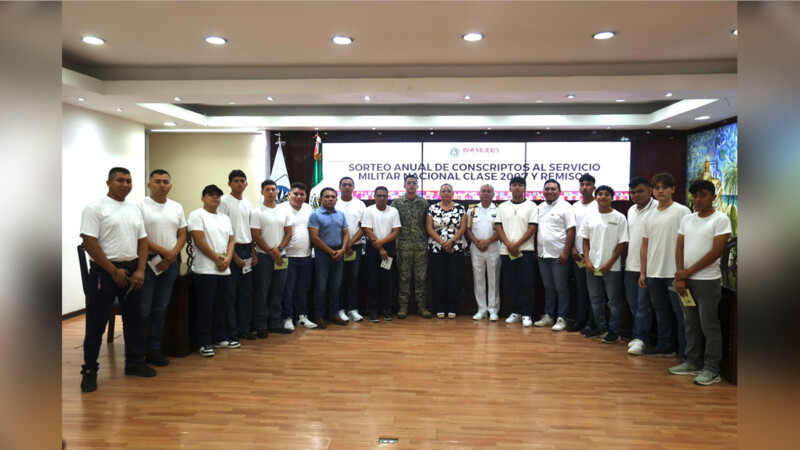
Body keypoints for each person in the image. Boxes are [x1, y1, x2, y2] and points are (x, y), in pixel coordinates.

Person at [79, 167, 154, 392]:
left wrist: (141, 270)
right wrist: (113, 270)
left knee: (134, 320)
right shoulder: (95, 208)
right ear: (109, 183)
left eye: (129, 181)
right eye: (120, 180)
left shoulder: (134, 209)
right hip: (104, 273)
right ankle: (89, 371)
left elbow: (143, 241)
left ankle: (134, 362)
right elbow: (89, 242)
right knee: (96, 324)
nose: (125, 185)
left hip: (132, 272)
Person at [668, 180, 731, 386]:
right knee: (690, 323)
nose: (697, 199)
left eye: (703, 195)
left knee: (709, 325)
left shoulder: (720, 219)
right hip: (685, 281)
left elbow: (716, 252)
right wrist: (681, 276)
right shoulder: (687, 219)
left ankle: (712, 369)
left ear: (713, 196)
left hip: (707, 281)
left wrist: (687, 272)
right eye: (694, 196)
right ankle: (692, 361)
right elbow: (679, 247)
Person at [138, 169, 187, 367]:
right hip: (147, 262)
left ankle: (154, 350)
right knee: (144, 309)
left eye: (165, 182)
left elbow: (182, 235)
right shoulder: (139, 206)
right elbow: (140, 237)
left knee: (160, 308)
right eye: (157, 181)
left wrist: (171, 255)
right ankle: (138, 351)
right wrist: (166, 253)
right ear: (149, 185)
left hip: (170, 263)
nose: (162, 185)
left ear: (170, 186)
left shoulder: (176, 207)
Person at [639, 172, 691, 358]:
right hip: (654, 273)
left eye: (664, 187)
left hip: (675, 273)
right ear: (652, 191)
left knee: (681, 313)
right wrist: (643, 272)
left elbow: (688, 243)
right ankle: (665, 346)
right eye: (657, 188)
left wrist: (683, 272)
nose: (660, 191)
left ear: (673, 189)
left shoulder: (682, 212)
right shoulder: (649, 215)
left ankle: (685, 352)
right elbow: (645, 245)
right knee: (661, 311)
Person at [187, 185, 237, 357]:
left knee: (222, 306)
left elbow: (231, 241)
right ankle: (204, 342)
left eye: (218, 195)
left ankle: (220, 338)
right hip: (205, 270)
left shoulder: (224, 218)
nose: (215, 198)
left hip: (224, 269)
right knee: (206, 307)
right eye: (211, 195)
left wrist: (228, 259)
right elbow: (199, 241)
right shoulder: (197, 215)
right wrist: (217, 259)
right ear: (203, 198)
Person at [580, 185, 629, 343]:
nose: (603, 196)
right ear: (596, 197)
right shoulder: (590, 217)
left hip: (611, 267)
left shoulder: (619, 217)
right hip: (591, 266)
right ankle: (600, 327)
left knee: (613, 301)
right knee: (595, 298)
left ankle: (614, 331)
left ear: (612, 198)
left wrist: (610, 263)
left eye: (607, 194)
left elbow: (623, 243)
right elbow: (585, 241)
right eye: (600, 194)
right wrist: (587, 261)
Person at [218, 169, 258, 342]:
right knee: (230, 294)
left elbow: (249, 231)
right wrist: (233, 256)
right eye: (236, 181)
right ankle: (232, 330)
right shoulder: (224, 202)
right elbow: (224, 232)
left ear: (246, 184)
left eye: (242, 181)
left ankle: (244, 328)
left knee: (246, 293)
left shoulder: (248, 203)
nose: (240, 184)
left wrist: (253, 253)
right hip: (231, 251)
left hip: (246, 250)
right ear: (229, 183)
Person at [250, 179, 293, 338]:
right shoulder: (257, 212)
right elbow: (256, 236)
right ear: (262, 192)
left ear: (277, 192)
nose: (271, 192)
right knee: (262, 292)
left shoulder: (284, 211)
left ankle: (275, 323)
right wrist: (271, 252)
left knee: (278, 292)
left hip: (281, 256)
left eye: (273, 189)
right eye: (267, 189)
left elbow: (289, 233)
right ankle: (261, 325)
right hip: (264, 257)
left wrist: (279, 249)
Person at [495, 176, 538, 327]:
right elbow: (498, 227)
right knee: (511, 282)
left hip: (525, 250)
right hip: (506, 251)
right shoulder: (502, 206)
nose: (517, 187)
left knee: (525, 283)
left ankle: (526, 313)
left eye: (520, 185)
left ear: (525, 188)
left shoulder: (531, 206)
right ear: (510, 188)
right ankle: (516, 311)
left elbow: (532, 228)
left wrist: (517, 245)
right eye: (514, 185)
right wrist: (508, 245)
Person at [534, 179, 576, 331]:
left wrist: (565, 252)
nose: (550, 191)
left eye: (553, 189)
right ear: (543, 191)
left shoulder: (566, 207)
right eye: (547, 189)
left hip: (559, 255)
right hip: (542, 255)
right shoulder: (540, 207)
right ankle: (549, 316)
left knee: (561, 287)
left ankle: (562, 318)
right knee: (548, 287)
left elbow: (571, 230)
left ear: (559, 191)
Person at [624, 177, 658, 355]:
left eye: (640, 191)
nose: (636, 195)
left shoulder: (657, 209)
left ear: (650, 190)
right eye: (632, 192)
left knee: (644, 305)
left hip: (649, 267)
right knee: (633, 304)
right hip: (630, 265)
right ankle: (638, 334)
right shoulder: (631, 210)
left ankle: (641, 338)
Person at [392, 174, 434, 319]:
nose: (411, 185)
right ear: (404, 185)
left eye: (414, 183)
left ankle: (421, 306)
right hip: (403, 244)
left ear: (417, 186)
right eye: (409, 183)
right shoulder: (397, 203)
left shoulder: (424, 203)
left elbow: (428, 224)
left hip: (420, 245)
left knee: (421, 277)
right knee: (404, 277)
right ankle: (403, 306)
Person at [308, 187, 350, 328]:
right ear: (320, 200)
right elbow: (314, 238)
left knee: (336, 286)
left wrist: (342, 249)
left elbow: (346, 233)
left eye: (333, 197)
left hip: (339, 253)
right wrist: (330, 251)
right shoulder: (315, 215)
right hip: (323, 255)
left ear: (336, 199)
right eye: (327, 197)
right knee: (321, 286)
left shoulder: (341, 214)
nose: (330, 199)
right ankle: (319, 316)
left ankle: (334, 314)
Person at [426, 183, 468, 319]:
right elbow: (429, 228)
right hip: (437, 247)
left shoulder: (460, 208)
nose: (446, 193)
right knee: (439, 278)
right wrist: (442, 242)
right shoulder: (432, 208)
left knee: (454, 278)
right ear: (439, 193)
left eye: (449, 191)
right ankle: (439, 307)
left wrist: (451, 242)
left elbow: (463, 227)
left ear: (453, 193)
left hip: (456, 247)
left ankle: (452, 308)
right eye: (443, 191)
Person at [279, 183, 317, 329]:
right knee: (288, 289)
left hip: (306, 256)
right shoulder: (281, 208)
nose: (298, 196)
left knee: (302, 288)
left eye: (302, 194)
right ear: (289, 194)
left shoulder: (308, 208)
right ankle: (287, 317)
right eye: (295, 193)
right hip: (287, 256)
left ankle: (301, 317)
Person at [362, 186, 401, 322]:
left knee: (386, 280)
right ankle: (373, 310)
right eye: (379, 195)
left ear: (388, 197)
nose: (382, 198)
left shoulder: (393, 211)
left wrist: (382, 245)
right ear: (374, 197)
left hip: (388, 247)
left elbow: (395, 232)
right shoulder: (368, 210)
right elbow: (367, 230)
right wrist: (380, 248)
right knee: (372, 280)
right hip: (372, 249)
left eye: (384, 195)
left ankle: (386, 309)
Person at [568, 173, 598, 334]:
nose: (585, 187)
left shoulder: (599, 204)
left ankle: (592, 322)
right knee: (581, 290)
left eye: (588, 184)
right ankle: (580, 319)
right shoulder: (574, 206)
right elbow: (571, 229)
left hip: (595, 256)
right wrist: (572, 247)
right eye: (582, 184)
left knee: (594, 291)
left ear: (594, 187)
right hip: (577, 255)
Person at [465, 184, 501, 321]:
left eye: (489, 191)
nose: (486, 193)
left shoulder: (498, 209)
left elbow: (501, 230)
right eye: (483, 191)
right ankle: (481, 309)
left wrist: (488, 241)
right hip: (476, 248)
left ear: (493, 194)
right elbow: (468, 229)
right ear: (479, 193)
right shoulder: (472, 210)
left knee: (493, 280)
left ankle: (493, 310)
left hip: (493, 249)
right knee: (478, 279)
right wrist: (477, 242)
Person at [336, 176, 367, 323]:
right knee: (339, 279)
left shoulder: (360, 204)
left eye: (350, 185)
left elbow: (363, 227)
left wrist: (350, 243)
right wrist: (344, 245)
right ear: (339, 187)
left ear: (354, 187)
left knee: (353, 278)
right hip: (338, 247)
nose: (347, 187)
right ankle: (340, 309)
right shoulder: (334, 203)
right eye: (344, 185)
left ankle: (352, 309)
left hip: (355, 246)